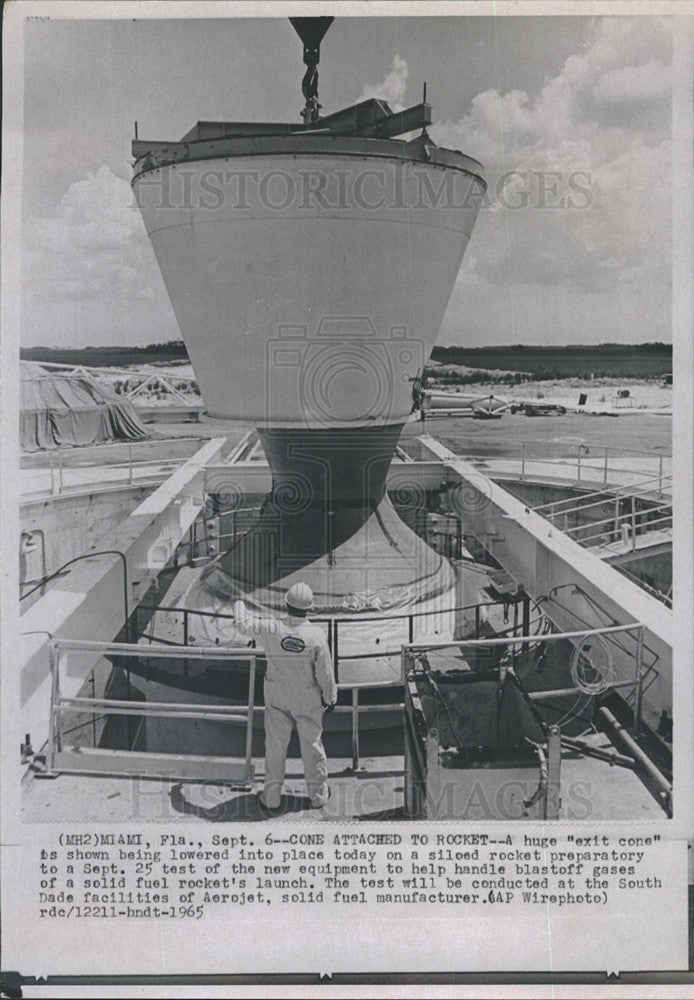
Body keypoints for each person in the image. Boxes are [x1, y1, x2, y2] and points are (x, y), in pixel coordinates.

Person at [233, 582, 337, 813]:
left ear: (286, 604)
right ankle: (318, 796)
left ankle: (271, 798)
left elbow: (242, 624)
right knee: (312, 746)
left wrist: (239, 603)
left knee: (276, 746)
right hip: (307, 700)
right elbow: (325, 674)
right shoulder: (317, 636)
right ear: (309, 608)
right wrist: (330, 699)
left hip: (277, 697)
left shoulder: (271, 628)